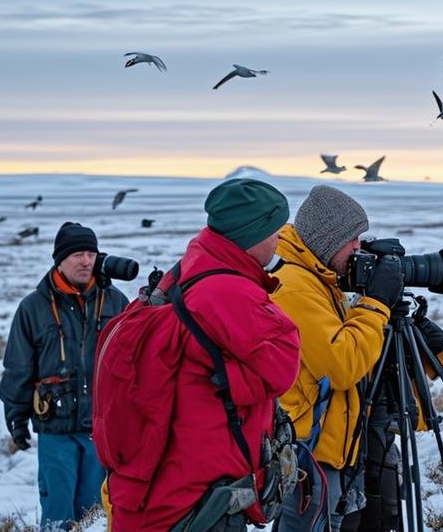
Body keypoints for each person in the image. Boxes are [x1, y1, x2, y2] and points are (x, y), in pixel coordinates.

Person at [105, 178, 302, 531]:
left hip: (168, 487)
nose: (279, 239)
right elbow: (283, 364)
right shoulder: (226, 291)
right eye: (275, 229)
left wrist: (234, 376)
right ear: (253, 234)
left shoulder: (193, 267)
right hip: (197, 498)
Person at [270, 185, 404, 531]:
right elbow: (343, 365)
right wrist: (376, 305)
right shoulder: (296, 287)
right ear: (329, 239)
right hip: (308, 456)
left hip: (330, 451)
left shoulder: (319, 281)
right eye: (354, 239)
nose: (358, 249)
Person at [0, 222, 129, 531]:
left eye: (91, 253)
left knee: (95, 512)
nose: (86, 261)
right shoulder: (34, 307)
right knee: (58, 513)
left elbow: (133, 364)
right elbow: (18, 366)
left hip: (101, 430)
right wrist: (16, 417)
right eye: (78, 254)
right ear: (59, 259)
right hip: (55, 429)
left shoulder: (116, 302)